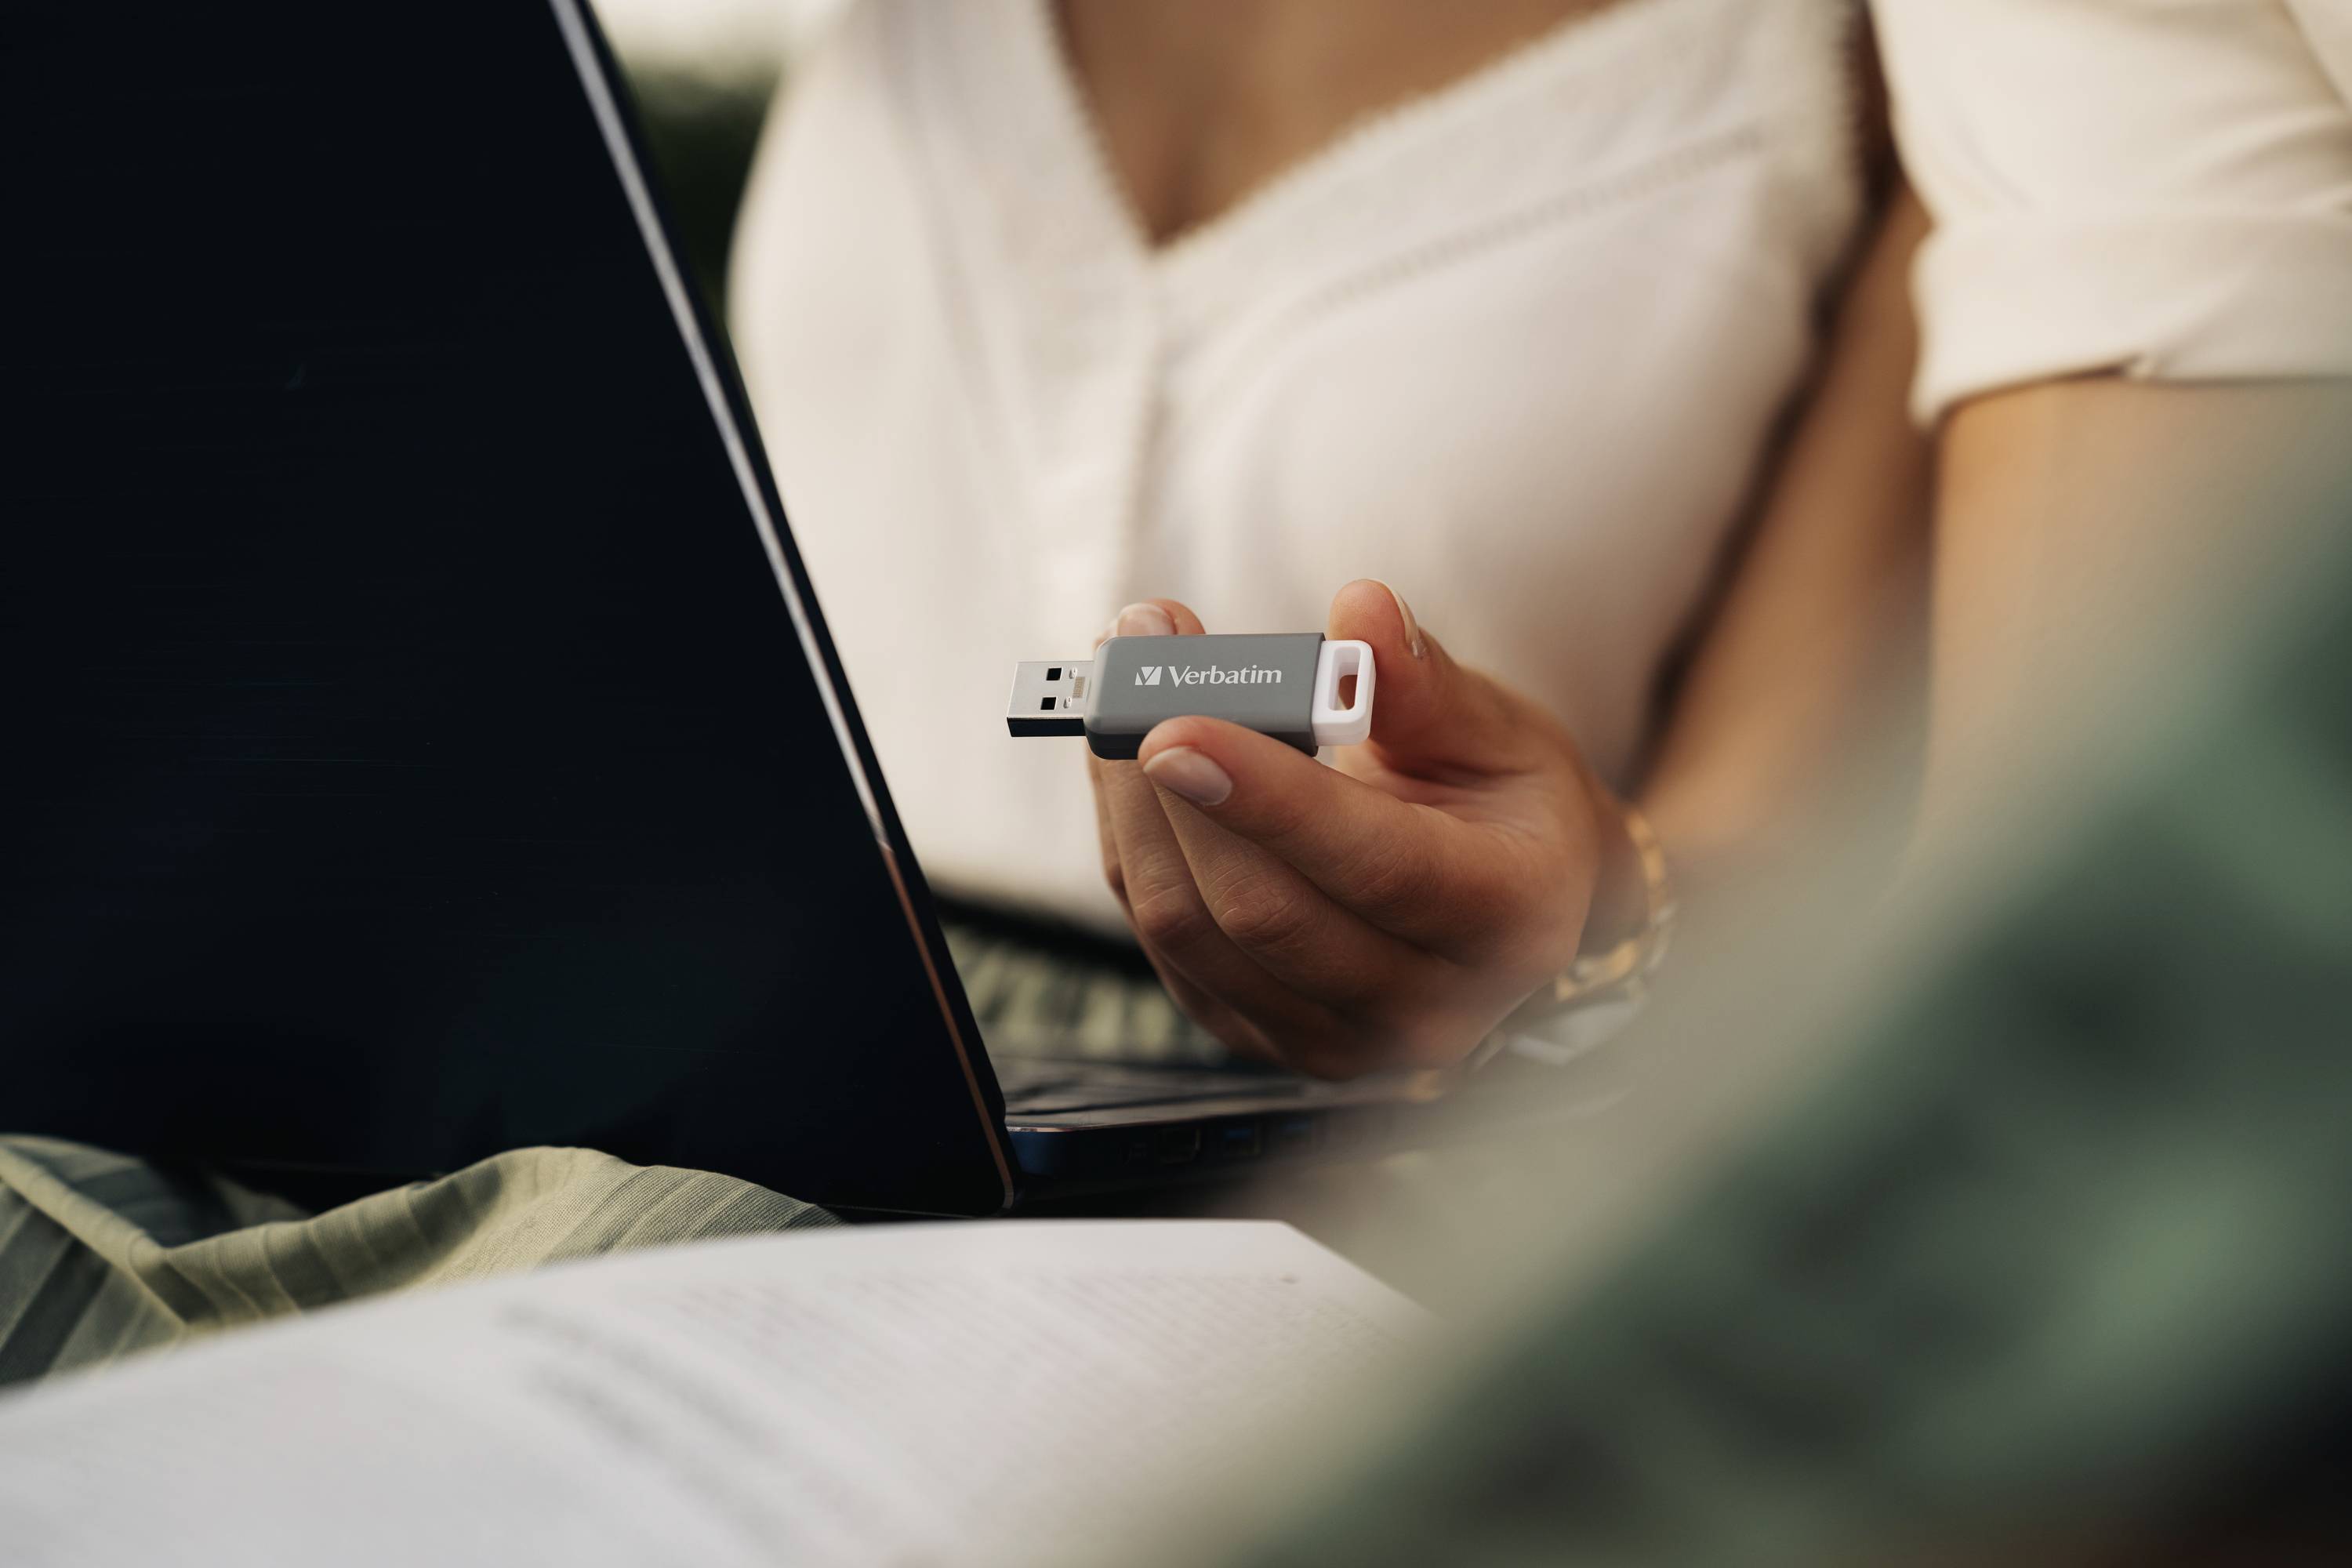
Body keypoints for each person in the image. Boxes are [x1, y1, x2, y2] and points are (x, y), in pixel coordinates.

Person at [2, 0, 2347, 1383]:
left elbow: (1756, 865)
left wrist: (1584, 923)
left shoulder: (1943, 74)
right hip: (659, 994)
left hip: (1291, 1128)